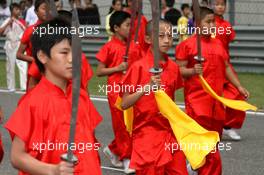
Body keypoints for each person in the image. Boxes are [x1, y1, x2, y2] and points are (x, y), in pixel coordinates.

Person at [5, 17, 102, 175]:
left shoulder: (81, 96)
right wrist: (53, 170)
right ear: (42, 56)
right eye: (64, 52)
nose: (72, 59)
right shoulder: (32, 102)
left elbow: (91, 143)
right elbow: (17, 157)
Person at [175, 7, 249, 175]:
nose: (213, 25)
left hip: (216, 102)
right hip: (197, 102)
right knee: (207, 144)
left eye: (213, 21)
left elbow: (226, 67)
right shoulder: (187, 45)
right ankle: (204, 168)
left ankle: (195, 165)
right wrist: (193, 71)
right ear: (197, 24)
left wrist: (238, 86)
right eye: (208, 21)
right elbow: (178, 70)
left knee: (213, 142)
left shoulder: (218, 44)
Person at [120, 19, 188, 175]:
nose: (166, 40)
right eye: (161, 36)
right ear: (148, 39)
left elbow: (171, 101)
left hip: (170, 132)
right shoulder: (138, 67)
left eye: (170, 36)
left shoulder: (173, 68)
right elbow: (124, 104)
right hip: (147, 134)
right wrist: (147, 87)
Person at [96, 11, 142, 174]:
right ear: (116, 28)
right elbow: (99, 71)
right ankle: (127, 158)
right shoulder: (109, 47)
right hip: (116, 90)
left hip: (132, 89)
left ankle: (113, 149)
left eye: (132, 25)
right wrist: (117, 68)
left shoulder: (135, 46)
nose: (131, 29)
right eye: (127, 25)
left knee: (132, 124)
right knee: (121, 125)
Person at [25, 10, 94, 91]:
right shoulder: (47, 56)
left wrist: (85, 101)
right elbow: (32, 85)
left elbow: (85, 87)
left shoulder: (81, 58)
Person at [213, 0, 245, 141]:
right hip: (211, 67)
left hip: (225, 66)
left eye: (222, 4)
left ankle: (227, 126)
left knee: (237, 94)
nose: (220, 7)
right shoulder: (206, 23)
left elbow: (230, 39)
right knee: (212, 99)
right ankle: (214, 128)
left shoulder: (226, 26)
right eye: (217, 4)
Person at [16, 0, 49, 91]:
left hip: (52, 75)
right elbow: (19, 54)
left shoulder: (55, 30)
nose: (47, 11)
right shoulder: (30, 30)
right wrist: (35, 60)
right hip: (34, 75)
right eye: (43, 9)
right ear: (36, 11)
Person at [0, 3, 28, 92]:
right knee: (10, 66)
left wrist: (21, 24)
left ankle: (23, 86)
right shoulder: (8, 20)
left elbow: (27, 30)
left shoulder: (22, 21)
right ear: (12, 11)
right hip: (10, 43)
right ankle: (11, 86)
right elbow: (1, 31)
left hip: (20, 44)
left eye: (19, 9)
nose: (18, 11)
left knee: (23, 65)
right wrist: (9, 23)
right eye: (16, 9)